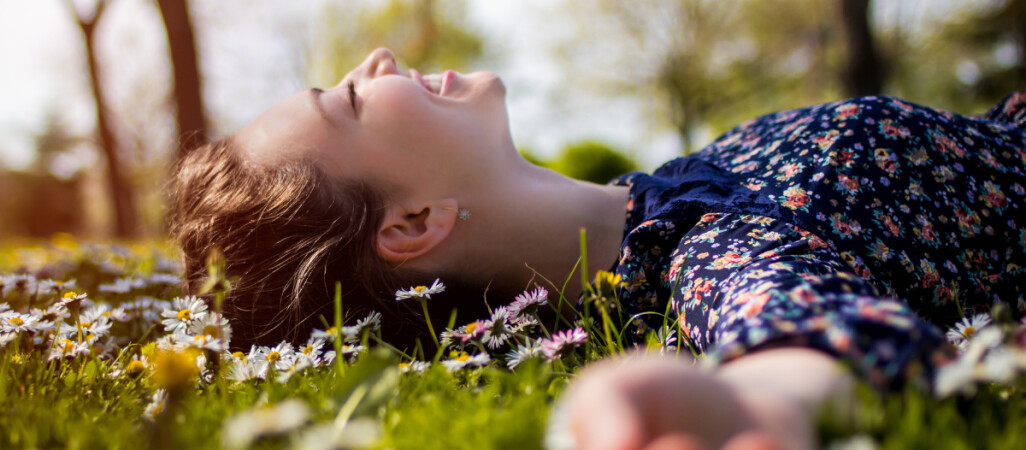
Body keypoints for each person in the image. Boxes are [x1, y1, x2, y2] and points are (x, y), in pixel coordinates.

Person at [169, 47, 1026, 449]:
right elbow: (797, 331)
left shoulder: (681, 189)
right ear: (411, 223)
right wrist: (751, 412)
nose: (378, 58)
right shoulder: (705, 251)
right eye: (351, 101)